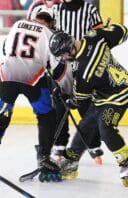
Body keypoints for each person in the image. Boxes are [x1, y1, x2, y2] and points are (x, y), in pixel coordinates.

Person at [48, 23, 128, 187]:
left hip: (120, 95)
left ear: (69, 50)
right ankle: (71, 161)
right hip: (109, 92)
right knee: (86, 125)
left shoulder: (83, 71)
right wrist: (103, 33)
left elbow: (79, 100)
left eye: (63, 55)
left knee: (105, 127)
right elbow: (122, 31)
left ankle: (127, 164)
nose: (63, 59)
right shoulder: (94, 37)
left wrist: (66, 97)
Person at [0, 8, 63, 183]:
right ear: (50, 22)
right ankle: (44, 157)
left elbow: (5, 48)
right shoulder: (48, 33)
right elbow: (56, 67)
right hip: (33, 80)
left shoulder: (17, 24)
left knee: (0, 116)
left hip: (7, 76)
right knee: (46, 115)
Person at [51, 0, 105, 164]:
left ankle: (93, 144)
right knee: (59, 104)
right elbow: (50, 36)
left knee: (85, 105)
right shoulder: (56, 9)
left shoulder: (89, 9)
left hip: (83, 63)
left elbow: (99, 36)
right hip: (62, 64)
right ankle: (59, 145)